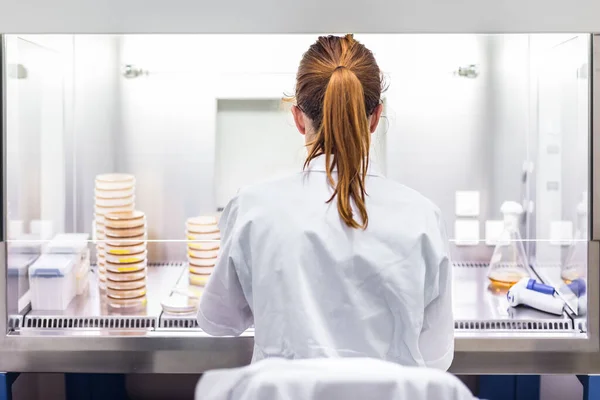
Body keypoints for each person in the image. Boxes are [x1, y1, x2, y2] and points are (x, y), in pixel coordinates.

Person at [197, 34, 453, 370]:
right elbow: (436, 357)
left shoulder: (254, 209)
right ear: (376, 118)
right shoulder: (422, 217)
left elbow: (219, 321)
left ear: (298, 118)